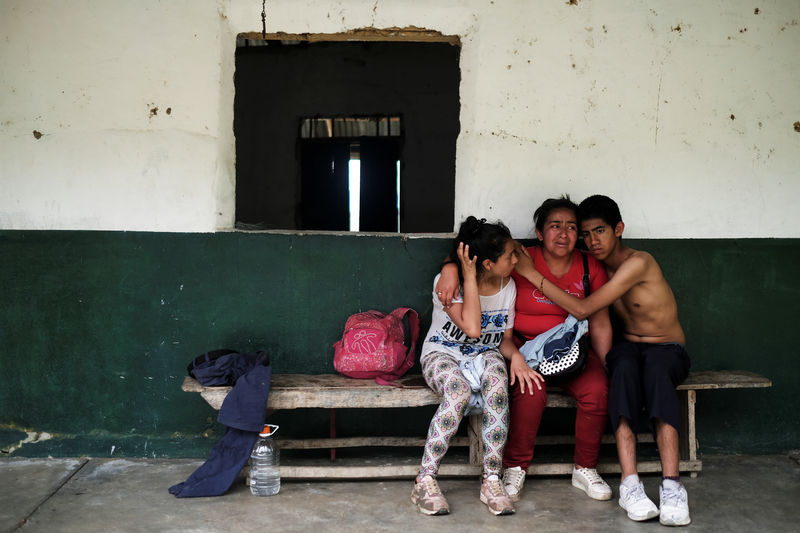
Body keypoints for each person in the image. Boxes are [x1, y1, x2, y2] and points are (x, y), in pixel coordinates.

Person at [513, 194, 692, 526]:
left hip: (665, 349)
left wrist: (532, 274)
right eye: (586, 234)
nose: (591, 241)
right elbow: (491, 245)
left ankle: (671, 485)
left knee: (652, 374)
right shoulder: (590, 263)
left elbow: (585, 311)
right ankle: (630, 484)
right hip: (627, 349)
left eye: (599, 231)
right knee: (619, 372)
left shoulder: (638, 262)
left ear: (619, 229)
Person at [437, 196, 614, 504]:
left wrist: (604, 360)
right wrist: (450, 265)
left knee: (597, 389)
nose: (563, 233)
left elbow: (599, 321)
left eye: (571, 227)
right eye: (554, 226)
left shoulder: (590, 267)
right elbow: (478, 257)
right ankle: (516, 466)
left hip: (571, 349)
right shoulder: (517, 258)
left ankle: (585, 467)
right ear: (539, 231)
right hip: (523, 347)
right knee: (530, 392)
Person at [412, 216, 520, 516]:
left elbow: (504, 339)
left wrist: (519, 357)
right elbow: (473, 328)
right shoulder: (447, 284)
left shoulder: (507, 285)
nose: (516, 258)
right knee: (458, 391)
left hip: (485, 353)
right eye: (510, 255)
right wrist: (465, 274)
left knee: (498, 386)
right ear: (486, 263)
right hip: (442, 353)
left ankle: (492, 480)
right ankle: (425, 478)